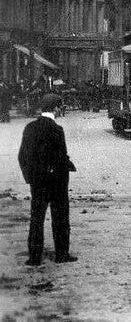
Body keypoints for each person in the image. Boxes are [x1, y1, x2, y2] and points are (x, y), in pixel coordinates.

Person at [18, 94, 77, 265]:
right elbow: (60, 158)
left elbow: (22, 156)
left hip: (38, 182)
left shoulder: (30, 128)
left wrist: (30, 177)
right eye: (60, 107)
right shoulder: (57, 130)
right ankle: (62, 254)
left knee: (36, 218)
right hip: (57, 182)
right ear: (56, 108)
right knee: (60, 217)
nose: (60, 110)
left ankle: (35, 257)